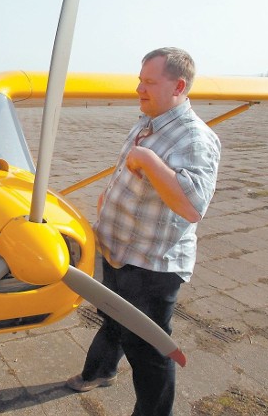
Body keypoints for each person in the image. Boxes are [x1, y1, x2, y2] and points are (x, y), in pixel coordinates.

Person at [66, 47, 221, 416]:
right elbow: (127, 172)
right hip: (118, 250)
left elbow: (192, 206)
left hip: (151, 267)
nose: (140, 88)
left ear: (179, 86)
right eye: (140, 80)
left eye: (150, 82)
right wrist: (107, 198)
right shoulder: (149, 119)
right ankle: (101, 371)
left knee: (149, 349)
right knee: (112, 315)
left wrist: (150, 161)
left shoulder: (195, 139)